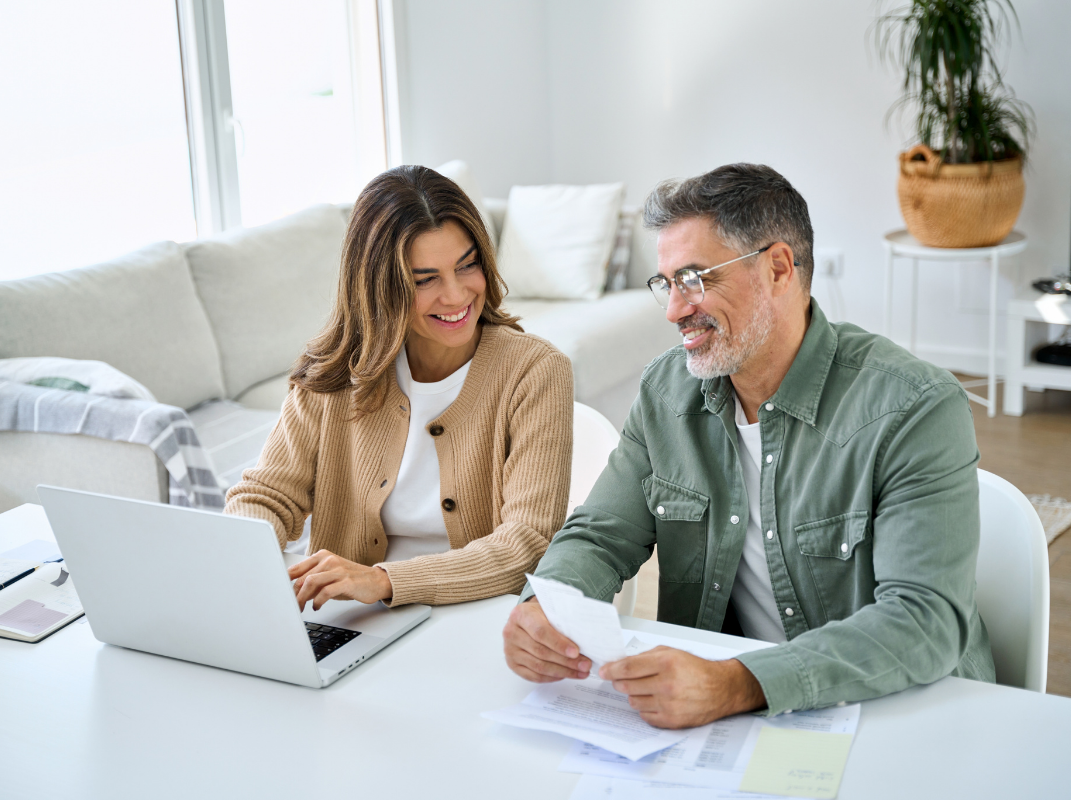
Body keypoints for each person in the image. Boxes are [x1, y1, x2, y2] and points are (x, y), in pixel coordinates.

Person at [503, 163, 995, 728]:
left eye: (694, 278)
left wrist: (738, 683)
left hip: (904, 714)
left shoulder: (915, 406)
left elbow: (924, 620)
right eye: (666, 283)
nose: (673, 310)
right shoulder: (667, 392)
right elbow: (602, 535)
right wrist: (548, 604)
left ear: (779, 268)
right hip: (739, 722)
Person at [225, 166, 574, 610]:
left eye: (467, 265)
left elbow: (526, 543)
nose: (456, 295)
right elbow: (265, 497)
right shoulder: (333, 374)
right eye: (424, 279)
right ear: (379, 288)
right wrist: (250, 559)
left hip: (475, 616)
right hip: (350, 620)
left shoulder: (535, 373)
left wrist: (384, 581)